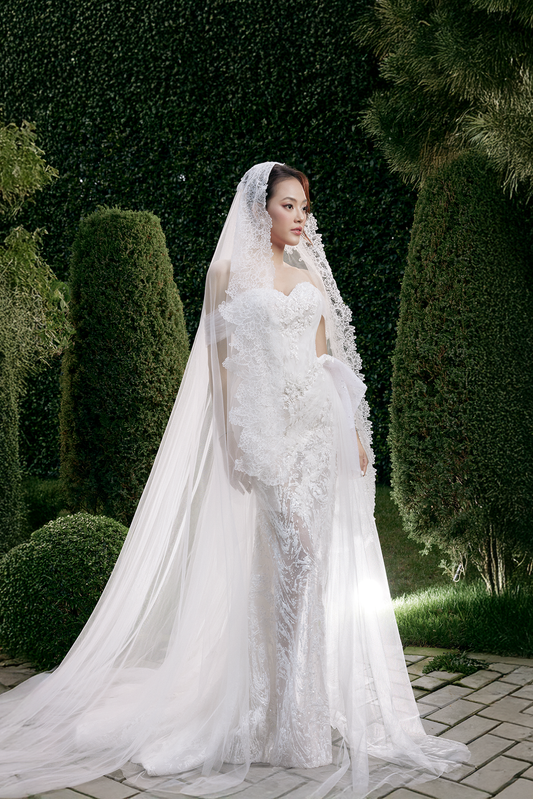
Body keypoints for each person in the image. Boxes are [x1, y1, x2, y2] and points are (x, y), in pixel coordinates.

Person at [0, 162, 468, 799]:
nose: (300, 218)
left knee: (298, 570)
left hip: (313, 443)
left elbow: (327, 360)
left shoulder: (307, 276)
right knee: (293, 559)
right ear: (260, 209)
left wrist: (353, 432)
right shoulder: (224, 276)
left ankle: (296, 717)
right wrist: (233, 449)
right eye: (289, 206)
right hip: (264, 439)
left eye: (305, 207)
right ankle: (273, 715)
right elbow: (219, 374)